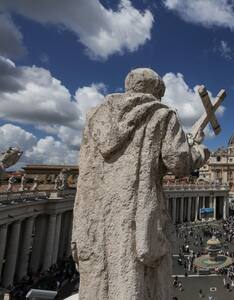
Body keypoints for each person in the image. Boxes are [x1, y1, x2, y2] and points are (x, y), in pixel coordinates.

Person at [73, 68, 210, 300]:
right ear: (157, 91)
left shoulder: (95, 117)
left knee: (100, 279)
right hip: (136, 214)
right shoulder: (161, 114)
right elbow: (178, 162)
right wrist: (199, 151)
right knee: (136, 282)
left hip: (93, 217)